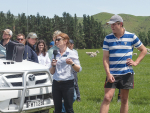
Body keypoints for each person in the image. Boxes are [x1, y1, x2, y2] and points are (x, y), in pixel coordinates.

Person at [100, 15, 147, 113]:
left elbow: (144, 50)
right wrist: (108, 73)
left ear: (120, 24)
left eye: (114, 24)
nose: (111, 27)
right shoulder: (107, 38)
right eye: (110, 25)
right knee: (107, 98)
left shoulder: (131, 36)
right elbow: (105, 58)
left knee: (124, 100)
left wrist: (136, 62)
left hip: (126, 73)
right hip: (112, 73)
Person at [50, 33, 82, 113]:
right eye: (55, 40)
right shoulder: (55, 53)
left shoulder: (71, 53)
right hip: (56, 83)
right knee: (57, 109)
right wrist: (53, 66)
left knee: (69, 109)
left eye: (58, 39)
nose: (56, 41)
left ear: (65, 41)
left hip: (68, 84)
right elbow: (51, 72)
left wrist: (72, 63)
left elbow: (79, 69)